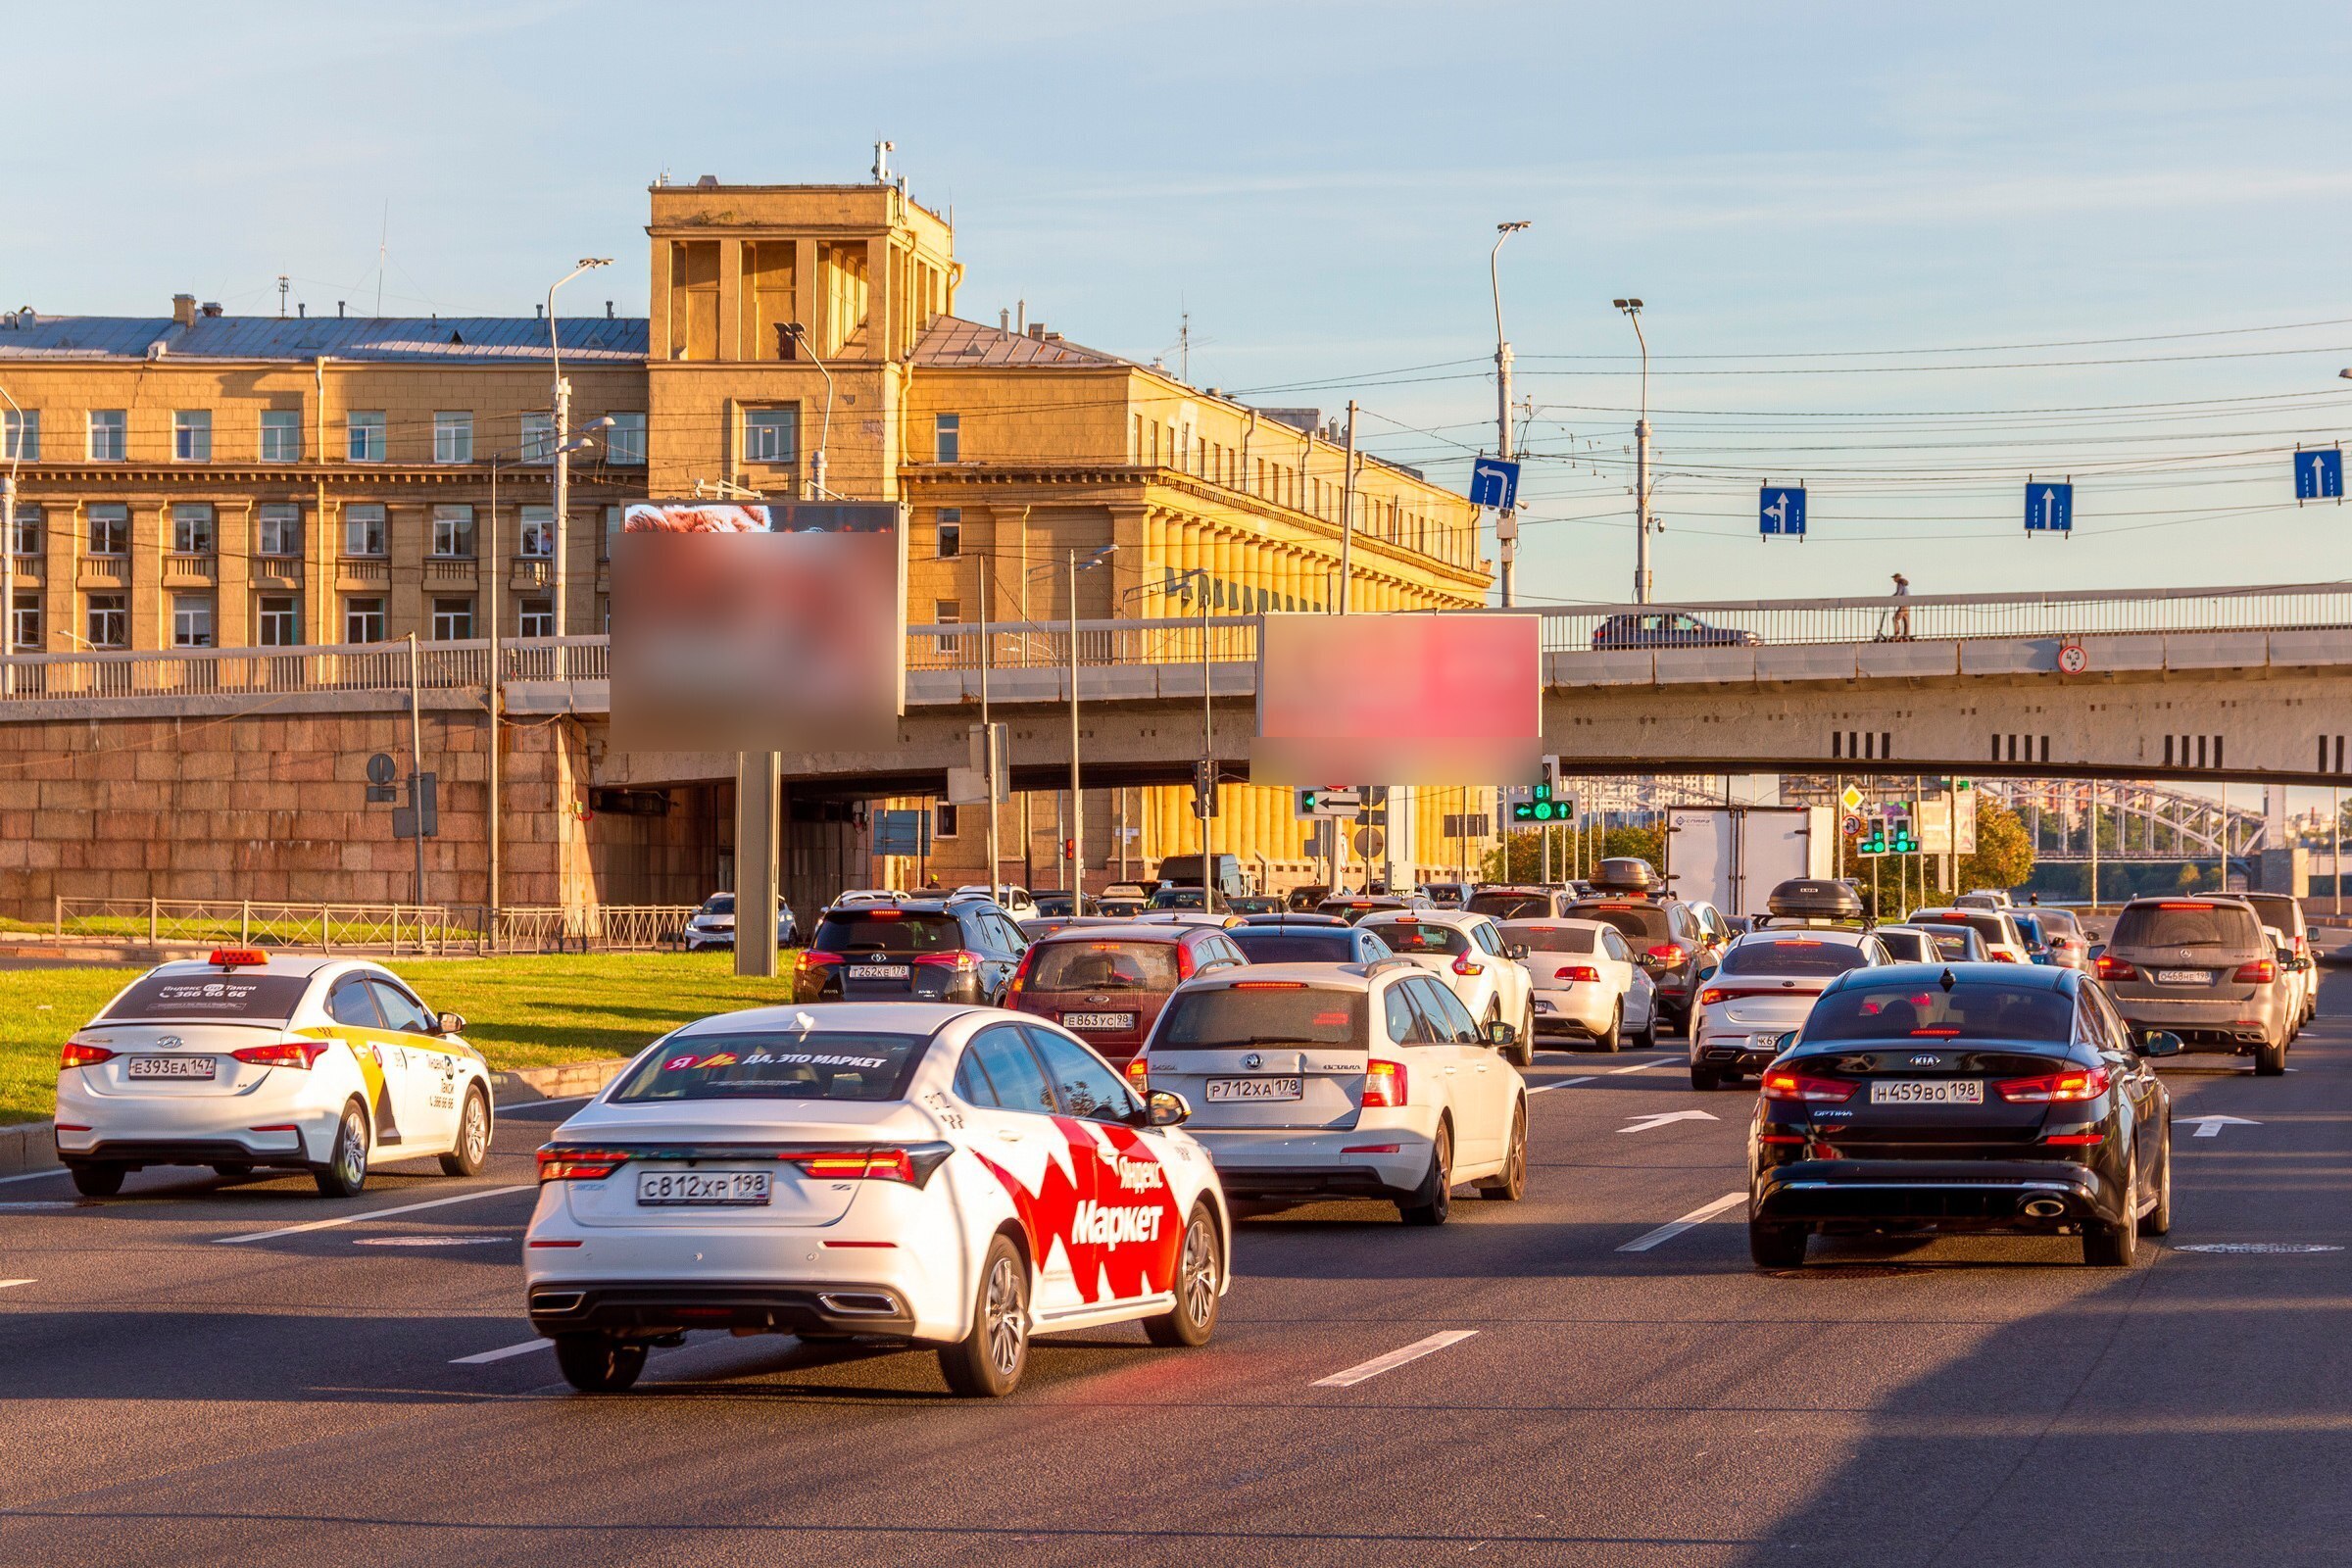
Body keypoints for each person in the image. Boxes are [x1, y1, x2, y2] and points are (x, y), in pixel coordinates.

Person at [1889, 572, 1912, 641]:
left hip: (1903, 605)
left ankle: (1897, 635)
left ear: (1897, 578)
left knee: (1895, 619)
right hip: (1907, 605)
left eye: (1894, 578)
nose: (1893, 580)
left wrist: (1891, 598)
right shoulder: (1904, 584)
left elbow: (1898, 593)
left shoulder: (1900, 584)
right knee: (1906, 620)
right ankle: (1906, 636)